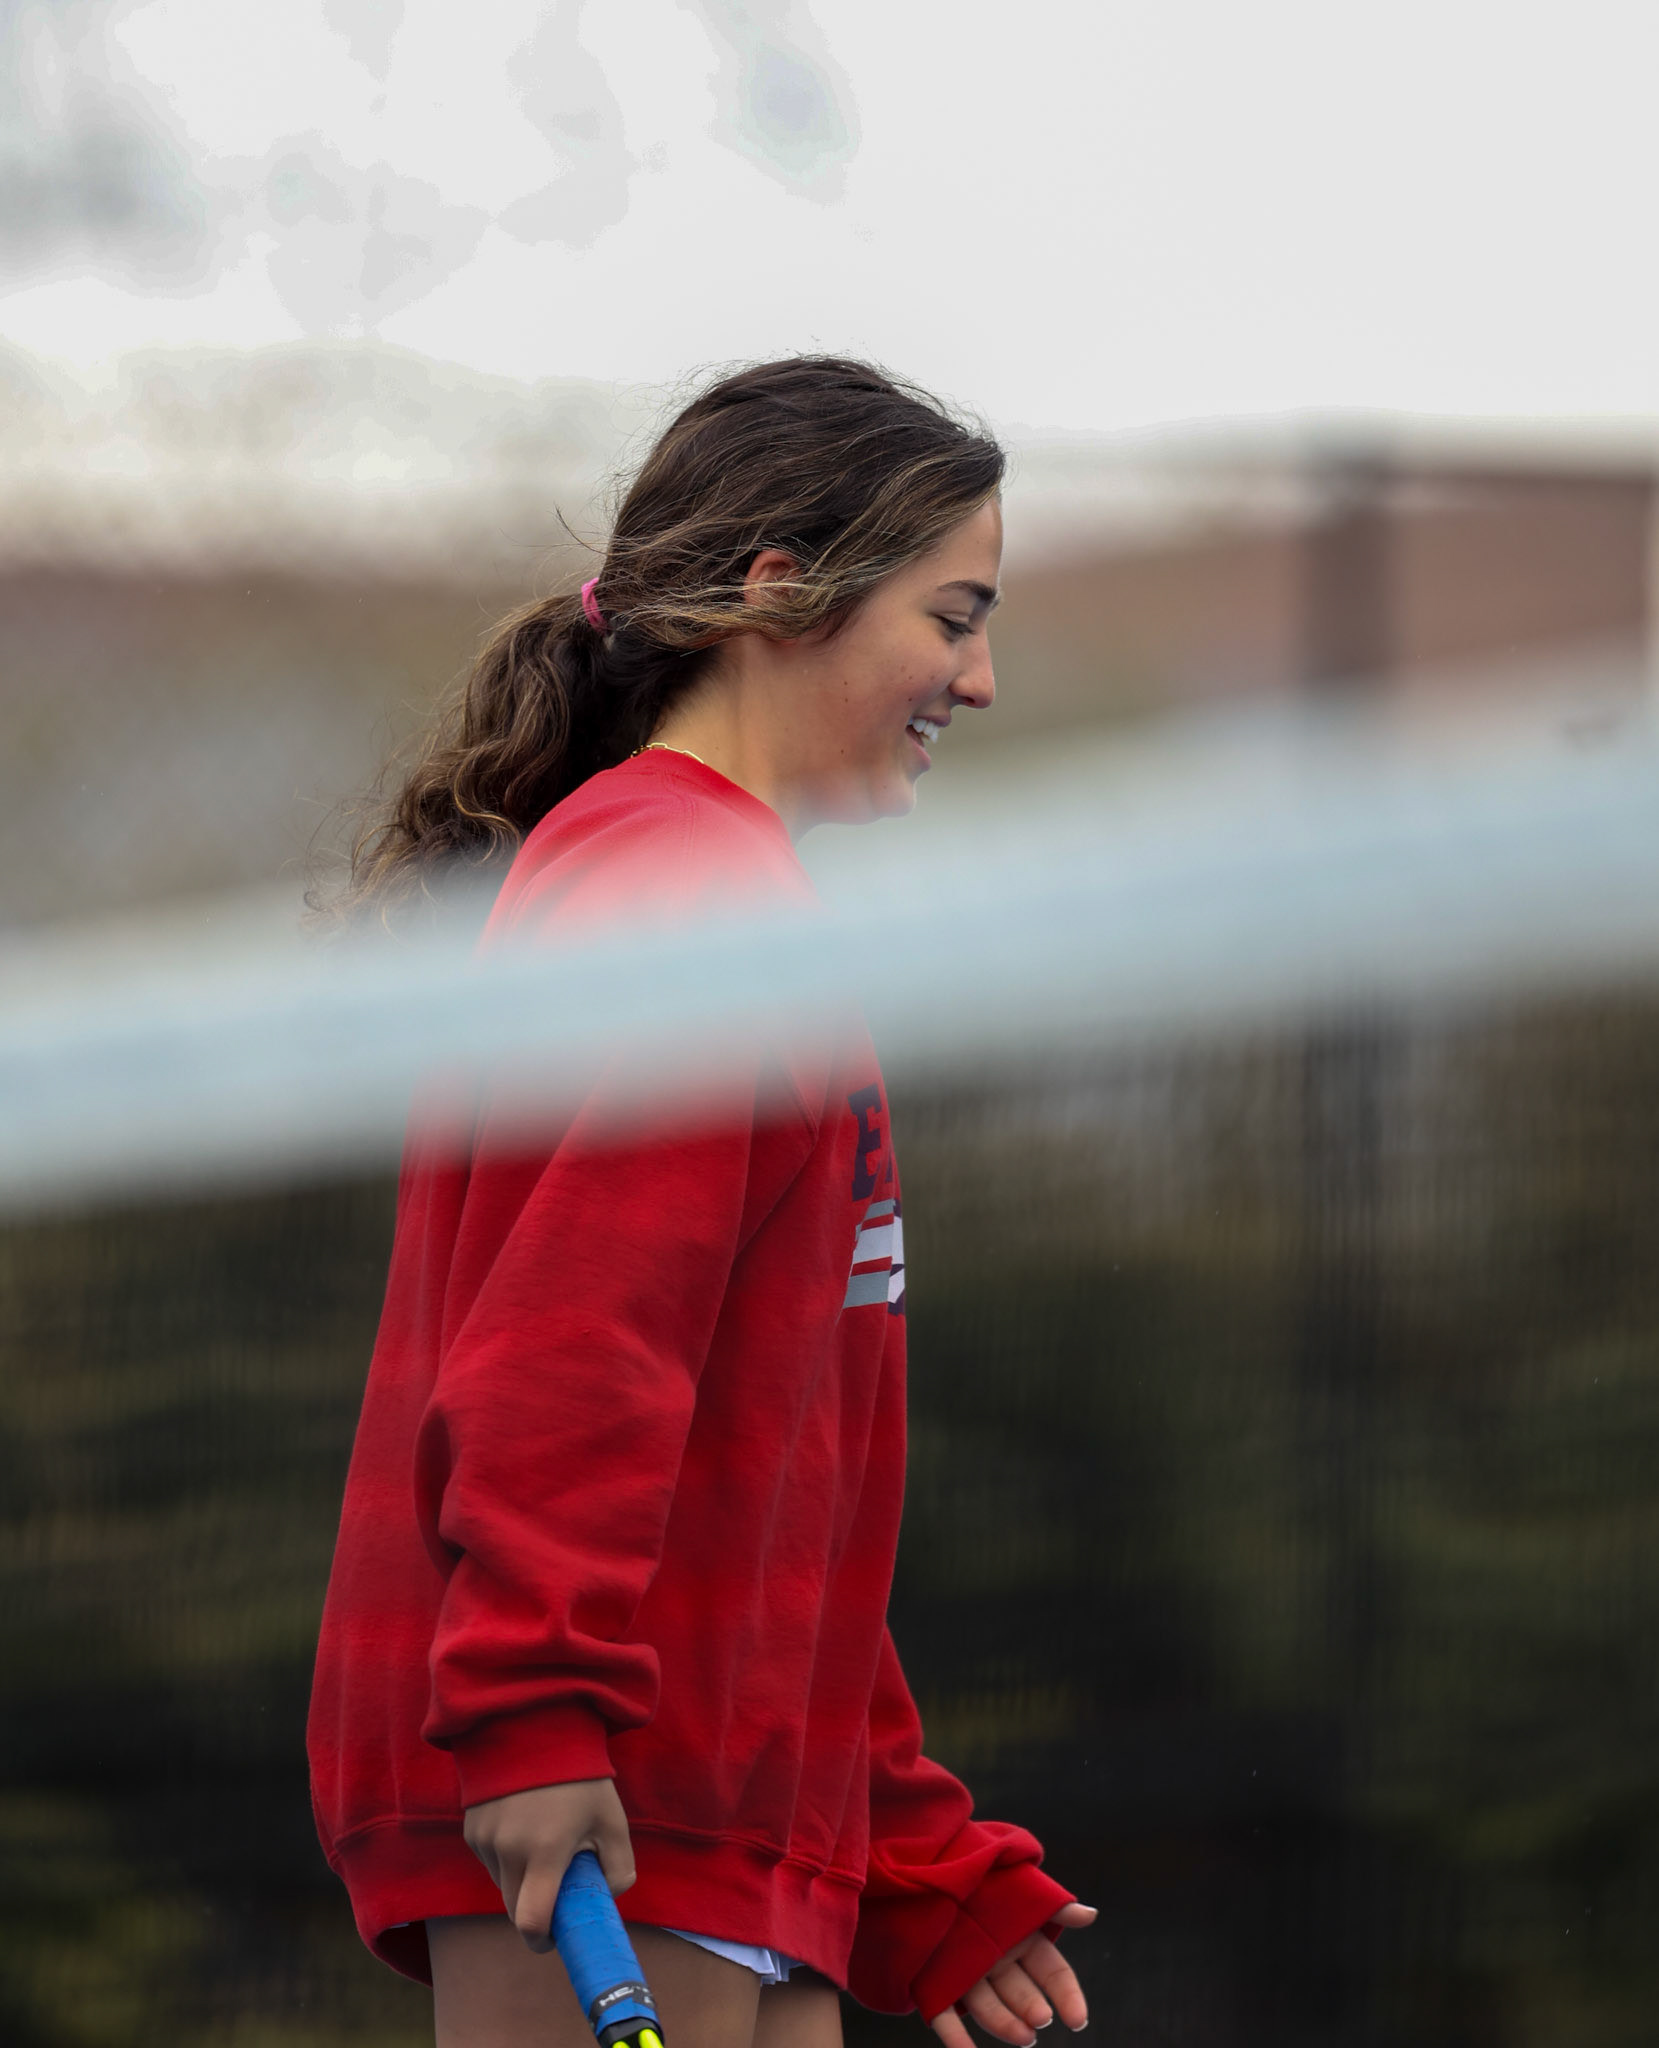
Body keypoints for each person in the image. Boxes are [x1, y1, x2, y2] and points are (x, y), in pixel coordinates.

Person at [307, 357, 1096, 2048]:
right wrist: (532, 1712)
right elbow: (568, 1356)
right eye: (953, 617)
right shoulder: (676, 888)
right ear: (777, 590)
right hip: (602, 1779)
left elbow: (786, 1469)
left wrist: (904, 1848)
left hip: (719, 1797)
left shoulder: (739, 898)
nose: (980, 678)